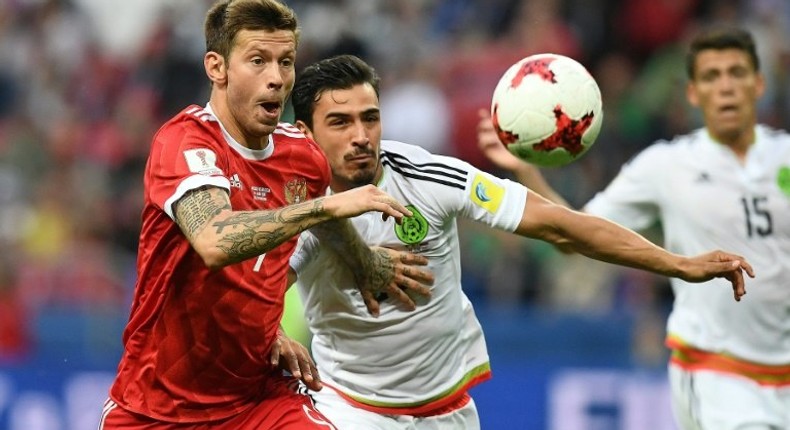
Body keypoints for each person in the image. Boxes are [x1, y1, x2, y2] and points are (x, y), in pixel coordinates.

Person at [286, 54, 754, 430]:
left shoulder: (426, 177)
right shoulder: (301, 210)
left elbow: (558, 224)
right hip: (347, 410)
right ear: (306, 132)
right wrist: (276, 335)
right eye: (341, 123)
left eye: (370, 118)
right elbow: (244, 297)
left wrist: (678, 264)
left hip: (447, 412)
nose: (362, 136)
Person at [100, 1, 433, 429]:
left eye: (286, 62)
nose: (277, 79)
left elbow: (326, 221)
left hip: (257, 402)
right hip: (154, 407)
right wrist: (322, 205)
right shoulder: (184, 142)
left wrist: (365, 263)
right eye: (258, 61)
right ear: (216, 68)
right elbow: (215, 240)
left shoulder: (303, 157)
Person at [478, 27, 790, 430]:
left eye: (737, 73)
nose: (726, 86)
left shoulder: (784, 155)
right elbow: (579, 234)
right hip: (716, 370)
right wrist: (526, 172)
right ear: (693, 93)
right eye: (712, 76)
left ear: (759, 84)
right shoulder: (665, 166)